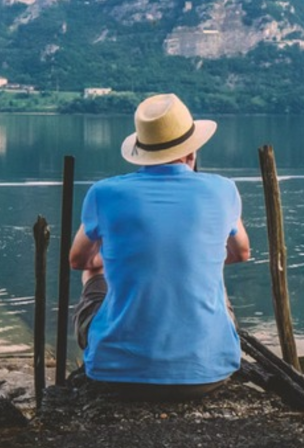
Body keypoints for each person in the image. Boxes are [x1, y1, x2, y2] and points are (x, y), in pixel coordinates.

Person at [68, 93, 250, 400]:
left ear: (141, 152)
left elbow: (77, 260)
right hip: (208, 374)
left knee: (93, 275)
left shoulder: (105, 192)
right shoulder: (223, 189)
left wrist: (116, 260)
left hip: (117, 374)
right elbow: (242, 253)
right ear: (191, 151)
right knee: (211, 274)